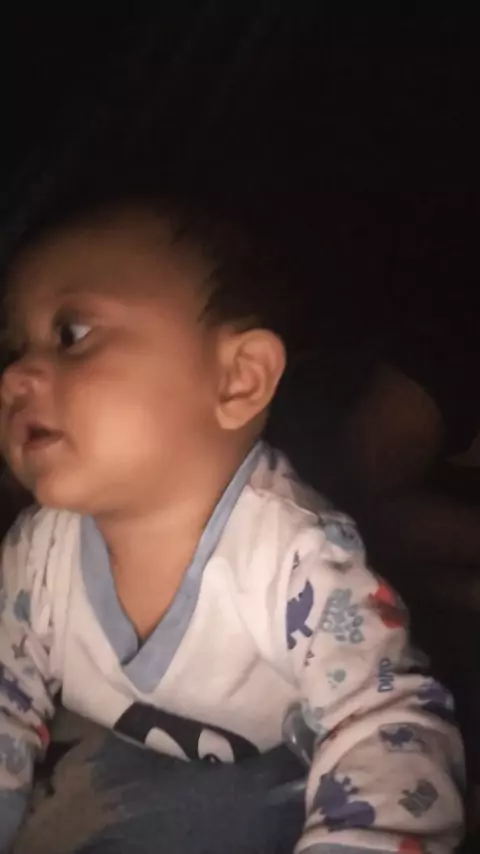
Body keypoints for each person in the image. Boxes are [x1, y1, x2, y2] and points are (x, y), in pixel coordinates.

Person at [0, 188, 464, 852]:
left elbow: (388, 724)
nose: (15, 376)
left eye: (72, 334)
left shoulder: (297, 562)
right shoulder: (37, 554)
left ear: (238, 379)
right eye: (13, 347)